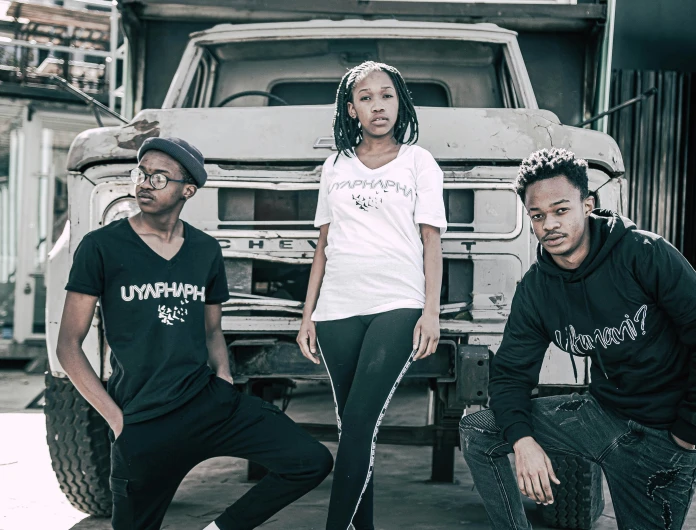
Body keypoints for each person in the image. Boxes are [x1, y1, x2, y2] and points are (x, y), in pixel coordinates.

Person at [56, 137, 333, 530]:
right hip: (142, 419)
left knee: (310, 460)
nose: (143, 184)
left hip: (208, 404)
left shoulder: (204, 249)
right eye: (141, 174)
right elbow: (68, 345)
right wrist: (118, 422)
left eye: (158, 177)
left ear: (188, 190)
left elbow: (212, 328)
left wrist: (223, 379)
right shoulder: (101, 247)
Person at [459, 147, 696, 530]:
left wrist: (688, 432)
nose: (549, 225)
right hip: (601, 416)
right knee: (479, 429)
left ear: (587, 204)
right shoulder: (537, 290)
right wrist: (522, 441)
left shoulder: (645, 254)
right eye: (537, 216)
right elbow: (510, 375)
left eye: (561, 210)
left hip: (664, 434)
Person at [296, 61, 446, 530]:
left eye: (386, 95)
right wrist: (308, 315)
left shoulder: (418, 161)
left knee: (360, 421)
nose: (377, 105)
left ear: (399, 102)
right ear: (351, 107)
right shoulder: (335, 165)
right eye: (366, 97)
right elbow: (322, 246)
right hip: (338, 306)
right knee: (354, 427)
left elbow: (432, 241)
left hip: (397, 303)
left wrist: (431, 314)